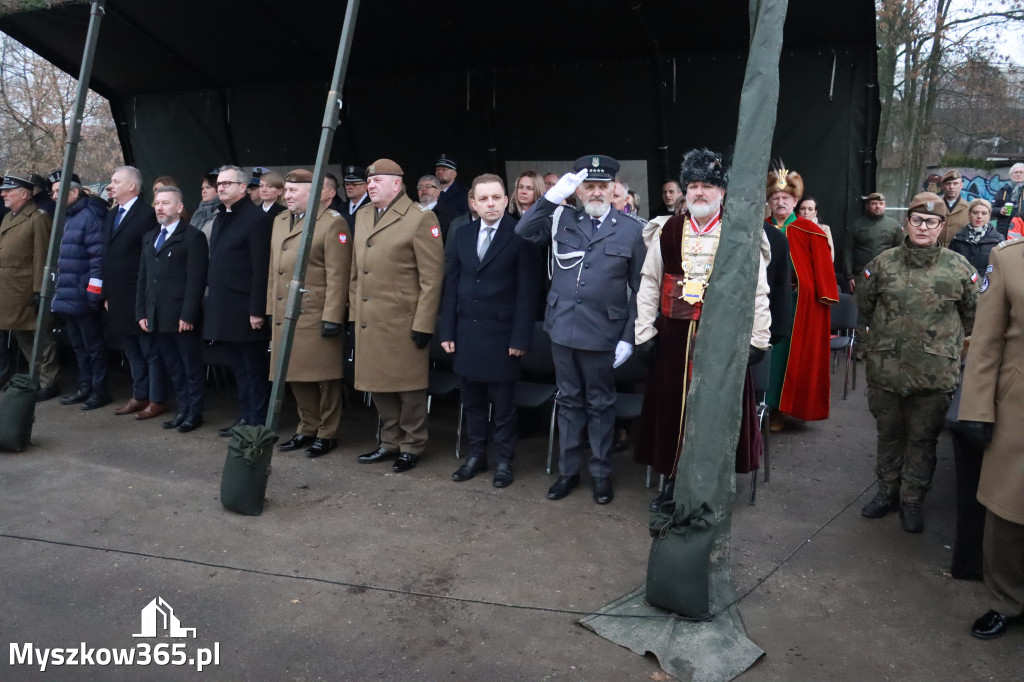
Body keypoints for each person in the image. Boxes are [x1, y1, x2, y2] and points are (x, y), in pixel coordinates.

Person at [633, 148, 771, 511]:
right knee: (674, 411)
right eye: (693, 185)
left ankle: (711, 487)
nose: (699, 192)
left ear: (722, 192)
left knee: (715, 413)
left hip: (723, 340)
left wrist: (758, 337)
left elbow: (756, 287)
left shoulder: (741, 234)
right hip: (674, 339)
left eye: (707, 186)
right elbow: (650, 281)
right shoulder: (668, 229)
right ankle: (674, 482)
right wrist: (644, 333)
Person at [515, 155, 647, 504]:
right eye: (589, 186)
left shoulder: (633, 230)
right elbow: (523, 231)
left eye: (603, 186)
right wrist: (551, 197)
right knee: (569, 401)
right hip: (562, 329)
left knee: (601, 405)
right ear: (579, 190)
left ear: (614, 189)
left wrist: (628, 336)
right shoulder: (562, 217)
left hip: (604, 333)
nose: (596, 193)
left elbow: (641, 291)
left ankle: (601, 474)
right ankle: (568, 472)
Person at [857, 192, 979, 533]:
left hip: (933, 374)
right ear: (906, 222)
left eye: (932, 221)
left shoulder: (959, 268)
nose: (923, 227)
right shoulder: (883, 263)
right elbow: (865, 305)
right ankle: (886, 493)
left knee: (923, 440)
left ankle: (912, 501)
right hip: (886, 370)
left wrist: (943, 345)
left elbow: (972, 316)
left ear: (942, 226)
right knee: (889, 435)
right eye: (917, 220)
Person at [439, 173, 541, 488]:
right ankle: (476, 456)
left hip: (503, 336)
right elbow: (451, 284)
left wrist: (521, 338)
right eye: (483, 198)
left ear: (505, 199)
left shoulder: (520, 234)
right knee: (472, 402)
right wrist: (447, 331)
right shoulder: (464, 233)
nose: (490, 204)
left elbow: (529, 292)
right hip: (467, 333)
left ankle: (505, 462)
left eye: (496, 197)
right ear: (473, 202)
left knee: (505, 407)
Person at [350, 159, 445, 473]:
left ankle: (412, 444)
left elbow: (432, 277)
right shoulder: (364, 214)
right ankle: (389, 441)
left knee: (408, 387)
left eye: (378, 180)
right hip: (370, 318)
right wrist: (354, 313)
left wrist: (424, 322)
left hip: (403, 320)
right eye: (370, 180)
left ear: (397, 183)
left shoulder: (420, 217)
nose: (371, 185)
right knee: (378, 384)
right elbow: (355, 272)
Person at [957, 236, 1024, 639]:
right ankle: (1005, 600)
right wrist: (978, 409)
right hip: (1018, 409)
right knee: (1008, 512)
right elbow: (984, 343)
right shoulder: (1010, 259)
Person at [266, 170, 351, 457]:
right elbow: (273, 270)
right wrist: (270, 308)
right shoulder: (280, 221)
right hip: (286, 311)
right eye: (286, 190)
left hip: (315, 312)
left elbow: (339, 276)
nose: (286, 195)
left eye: (293, 191)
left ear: (312, 193)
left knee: (324, 376)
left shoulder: (331, 224)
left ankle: (327, 432)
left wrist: (333, 316)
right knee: (293, 373)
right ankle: (307, 427)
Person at [765, 164, 838, 428]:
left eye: (785, 198)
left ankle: (779, 409)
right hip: (765, 304)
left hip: (797, 306)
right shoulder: (760, 229)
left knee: (786, 357)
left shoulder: (811, 231)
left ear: (795, 201)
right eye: (775, 198)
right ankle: (761, 404)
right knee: (765, 354)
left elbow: (822, 276)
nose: (780, 202)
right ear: (769, 202)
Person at [204, 165, 274, 435]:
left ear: (243, 188)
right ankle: (245, 415)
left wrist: (257, 309)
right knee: (238, 368)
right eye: (219, 184)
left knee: (251, 368)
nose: (221, 187)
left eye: (227, 183)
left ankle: (256, 419)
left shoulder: (256, 219)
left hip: (246, 308)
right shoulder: (221, 217)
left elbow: (260, 268)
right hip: (224, 307)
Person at [136, 186, 208, 432]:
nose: (159, 207)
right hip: (157, 314)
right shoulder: (150, 237)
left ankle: (194, 412)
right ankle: (182, 409)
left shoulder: (192, 237)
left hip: (181, 316)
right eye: (157, 203)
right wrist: (142, 312)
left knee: (190, 366)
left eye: (166, 203)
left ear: (179, 208)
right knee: (173, 367)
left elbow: (195, 281)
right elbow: (143, 280)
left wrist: (188, 314)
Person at [104, 166, 167, 417]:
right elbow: (108, 256)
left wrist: (148, 295)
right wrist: (106, 294)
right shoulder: (112, 215)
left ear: (132, 186)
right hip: (118, 294)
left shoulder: (146, 215)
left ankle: (157, 398)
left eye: (116, 181)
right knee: (131, 348)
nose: (111, 185)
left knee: (149, 349)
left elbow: (150, 258)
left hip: (139, 293)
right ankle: (139, 395)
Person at [49, 171, 109, 408]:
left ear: (73, 192)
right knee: (78, 344)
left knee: (93, 345)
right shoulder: (67, 217)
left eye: (57, 192)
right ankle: (85, 386)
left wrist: (94, 292)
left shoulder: (90, 216)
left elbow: (97, 259)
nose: (53, 197)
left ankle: (100, 389)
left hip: (83, 295)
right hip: (68, 293)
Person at [0, 173, 61, 400]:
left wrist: (40, 290)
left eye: (8, 191)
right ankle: (37, 379)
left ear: (24, 194)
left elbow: (43, 258)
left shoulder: (38, 218)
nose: (3, 194)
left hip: (26, 290)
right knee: (24, 337)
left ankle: (49, 383)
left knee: (40, 338)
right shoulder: (9, 217)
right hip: (11, 291)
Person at [842, 192, 902, 293]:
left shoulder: (894, 226)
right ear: (867, 206)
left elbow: (901, 251)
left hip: (887, 277)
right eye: (874, 203)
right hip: (862, 276)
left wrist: (898, 275)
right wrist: (849, 276)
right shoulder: (857, 225)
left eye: (881, 203)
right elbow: (848, 250)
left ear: (885, 206)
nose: (877, 206)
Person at [949, 198, 1001, 275]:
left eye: (984, 213)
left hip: (986, 284)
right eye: (975, 213)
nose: (979, 216)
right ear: (969, 214)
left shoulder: (997, 240)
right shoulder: (958, 238)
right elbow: (951, 264)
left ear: (989, 216)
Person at [796, 195, 835, 261]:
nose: (806, 212)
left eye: (810, 209)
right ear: (798, 211)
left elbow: (831, 256)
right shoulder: (792, 228)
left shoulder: (824, 229)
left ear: (815, 212)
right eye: (802, 208)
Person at [938, 170, 970, 246]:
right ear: (942, 186)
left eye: (955, 183)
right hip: (937, 252)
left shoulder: (969, 209)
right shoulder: (936, 206)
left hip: (959, 254)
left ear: (961, 186)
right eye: (948, 184)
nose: (951, 187)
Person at [992, 162, 1024, 239]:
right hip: (1003, 232)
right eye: (1016, 172)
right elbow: (992, 209)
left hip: (1021, 230)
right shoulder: (1003, 191)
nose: (1018, 174)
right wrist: (1000, 210)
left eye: (1021, 172)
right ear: (1011, 175)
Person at [189, 169, 221, 239]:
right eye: (202, 188)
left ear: (219, 190)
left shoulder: (222, 212)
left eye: (208, 187)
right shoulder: (198, 212)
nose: (204, 191)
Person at [340, 165, 369, 230]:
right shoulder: (341, 207)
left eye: (353, 184)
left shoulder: (373, 206)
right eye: (347, 184)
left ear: (365, 186)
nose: (349, 187)